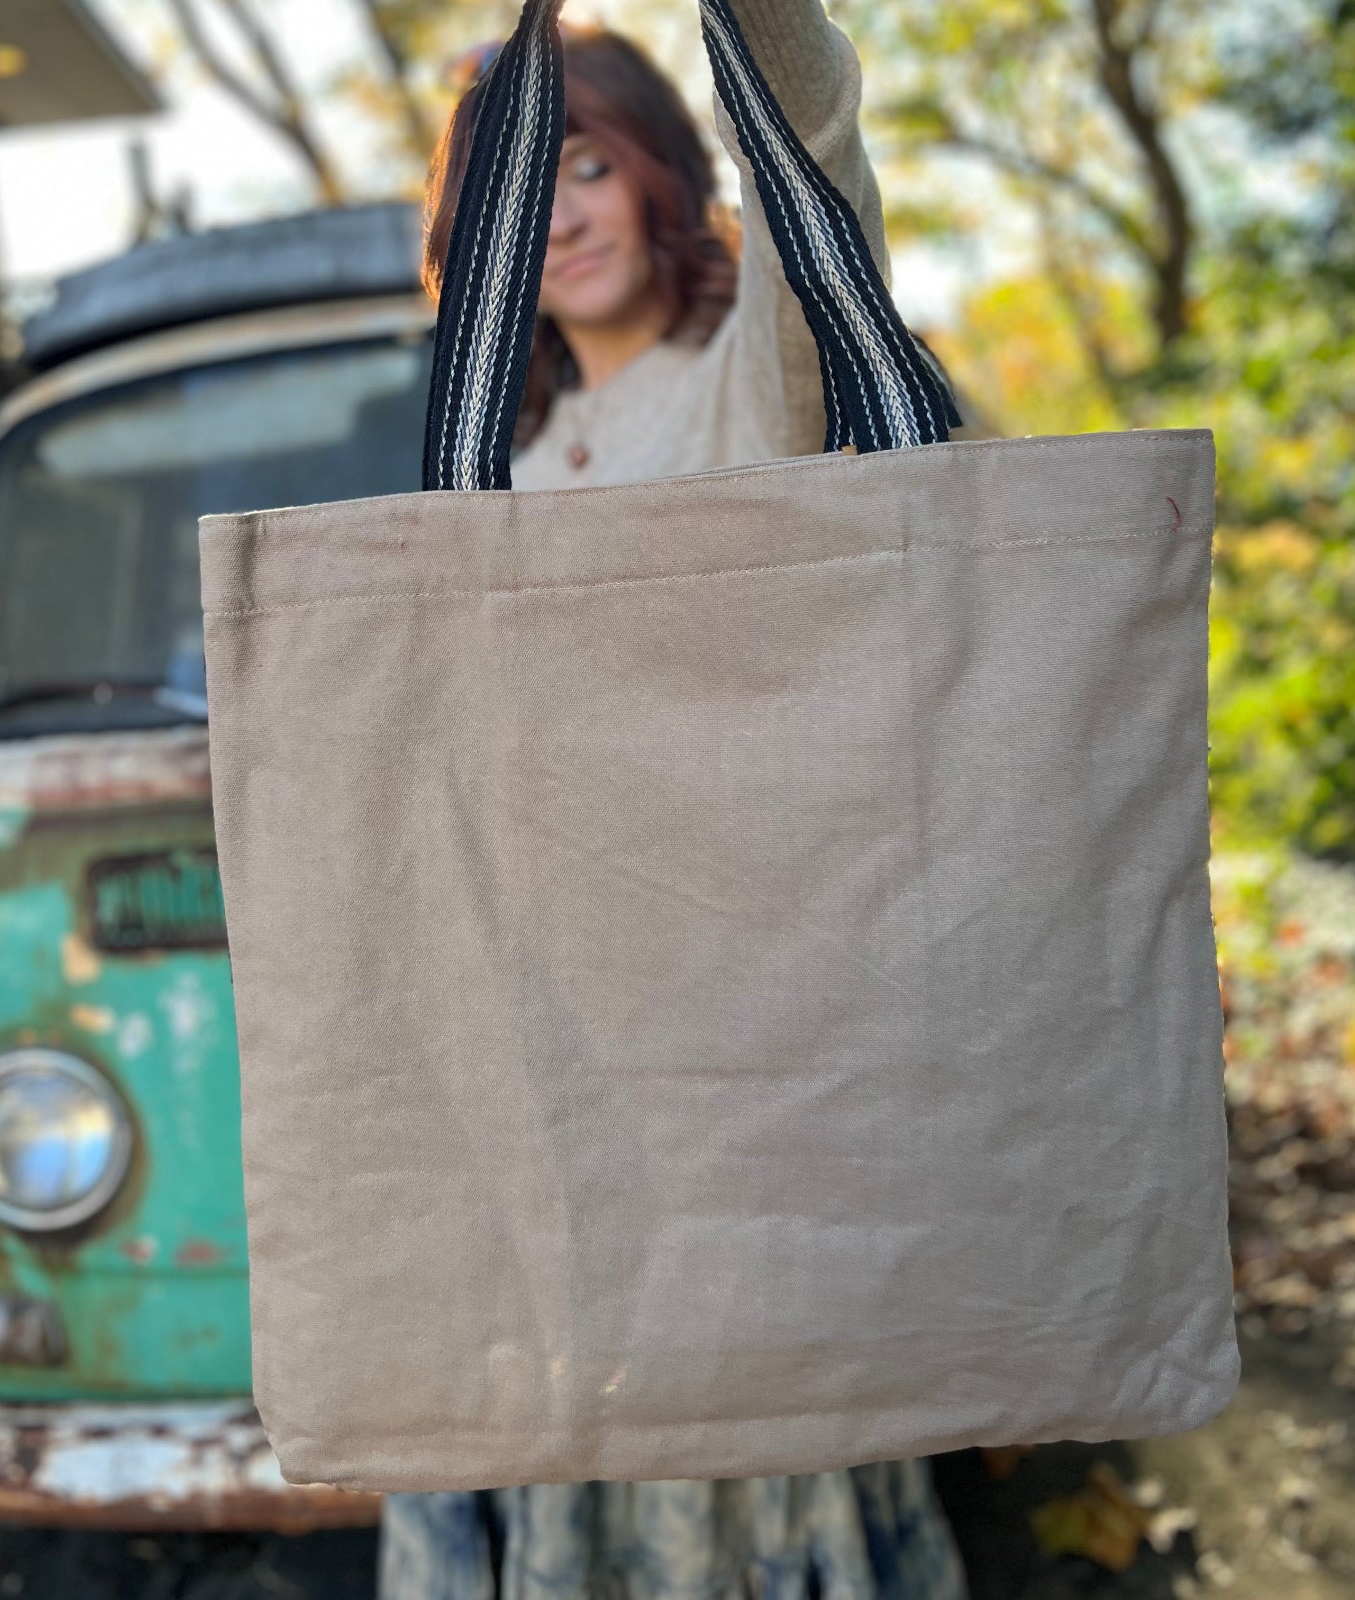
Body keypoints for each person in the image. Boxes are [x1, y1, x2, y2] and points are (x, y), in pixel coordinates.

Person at [381, 3, 977, 1596]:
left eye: (589, 164)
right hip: (545, 1094)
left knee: (743, 1456)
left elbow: (817, 160)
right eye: (526, 185)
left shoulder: (752, 393)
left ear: (660, 172)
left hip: (752, 1081)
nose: (562, 214)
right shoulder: (501, 465)